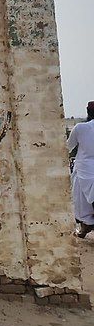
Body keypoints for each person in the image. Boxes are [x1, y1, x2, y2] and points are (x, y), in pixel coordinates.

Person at [67, 101, 94, 238]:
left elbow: (68, 147)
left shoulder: (80, 128)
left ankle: (85, 225)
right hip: (86, 169)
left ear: (88, 112)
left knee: (80, 198)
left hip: (84, 169)